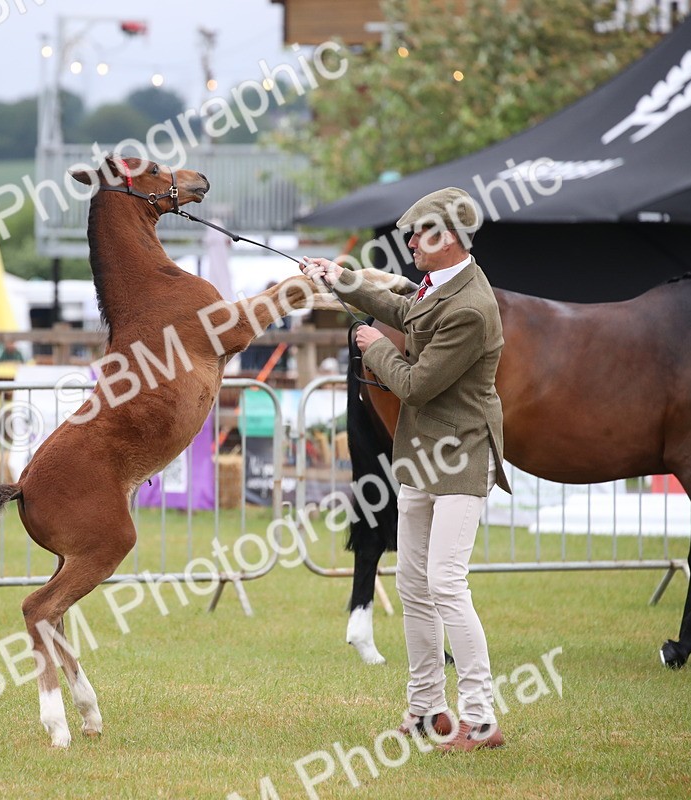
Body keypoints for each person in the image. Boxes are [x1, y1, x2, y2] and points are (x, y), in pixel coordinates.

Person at [300, 187, 511, 752]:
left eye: (421, 233)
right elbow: (401, 310)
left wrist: (373, 346)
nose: (411, 241)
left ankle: (480, 719)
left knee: (445, 584)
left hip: (462, 458)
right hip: (420, 456)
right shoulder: (438, 284)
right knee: (413, 584)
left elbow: (416, 384)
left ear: (450, 239)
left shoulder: (470, 307)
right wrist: (339, 278)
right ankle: (424, 709)